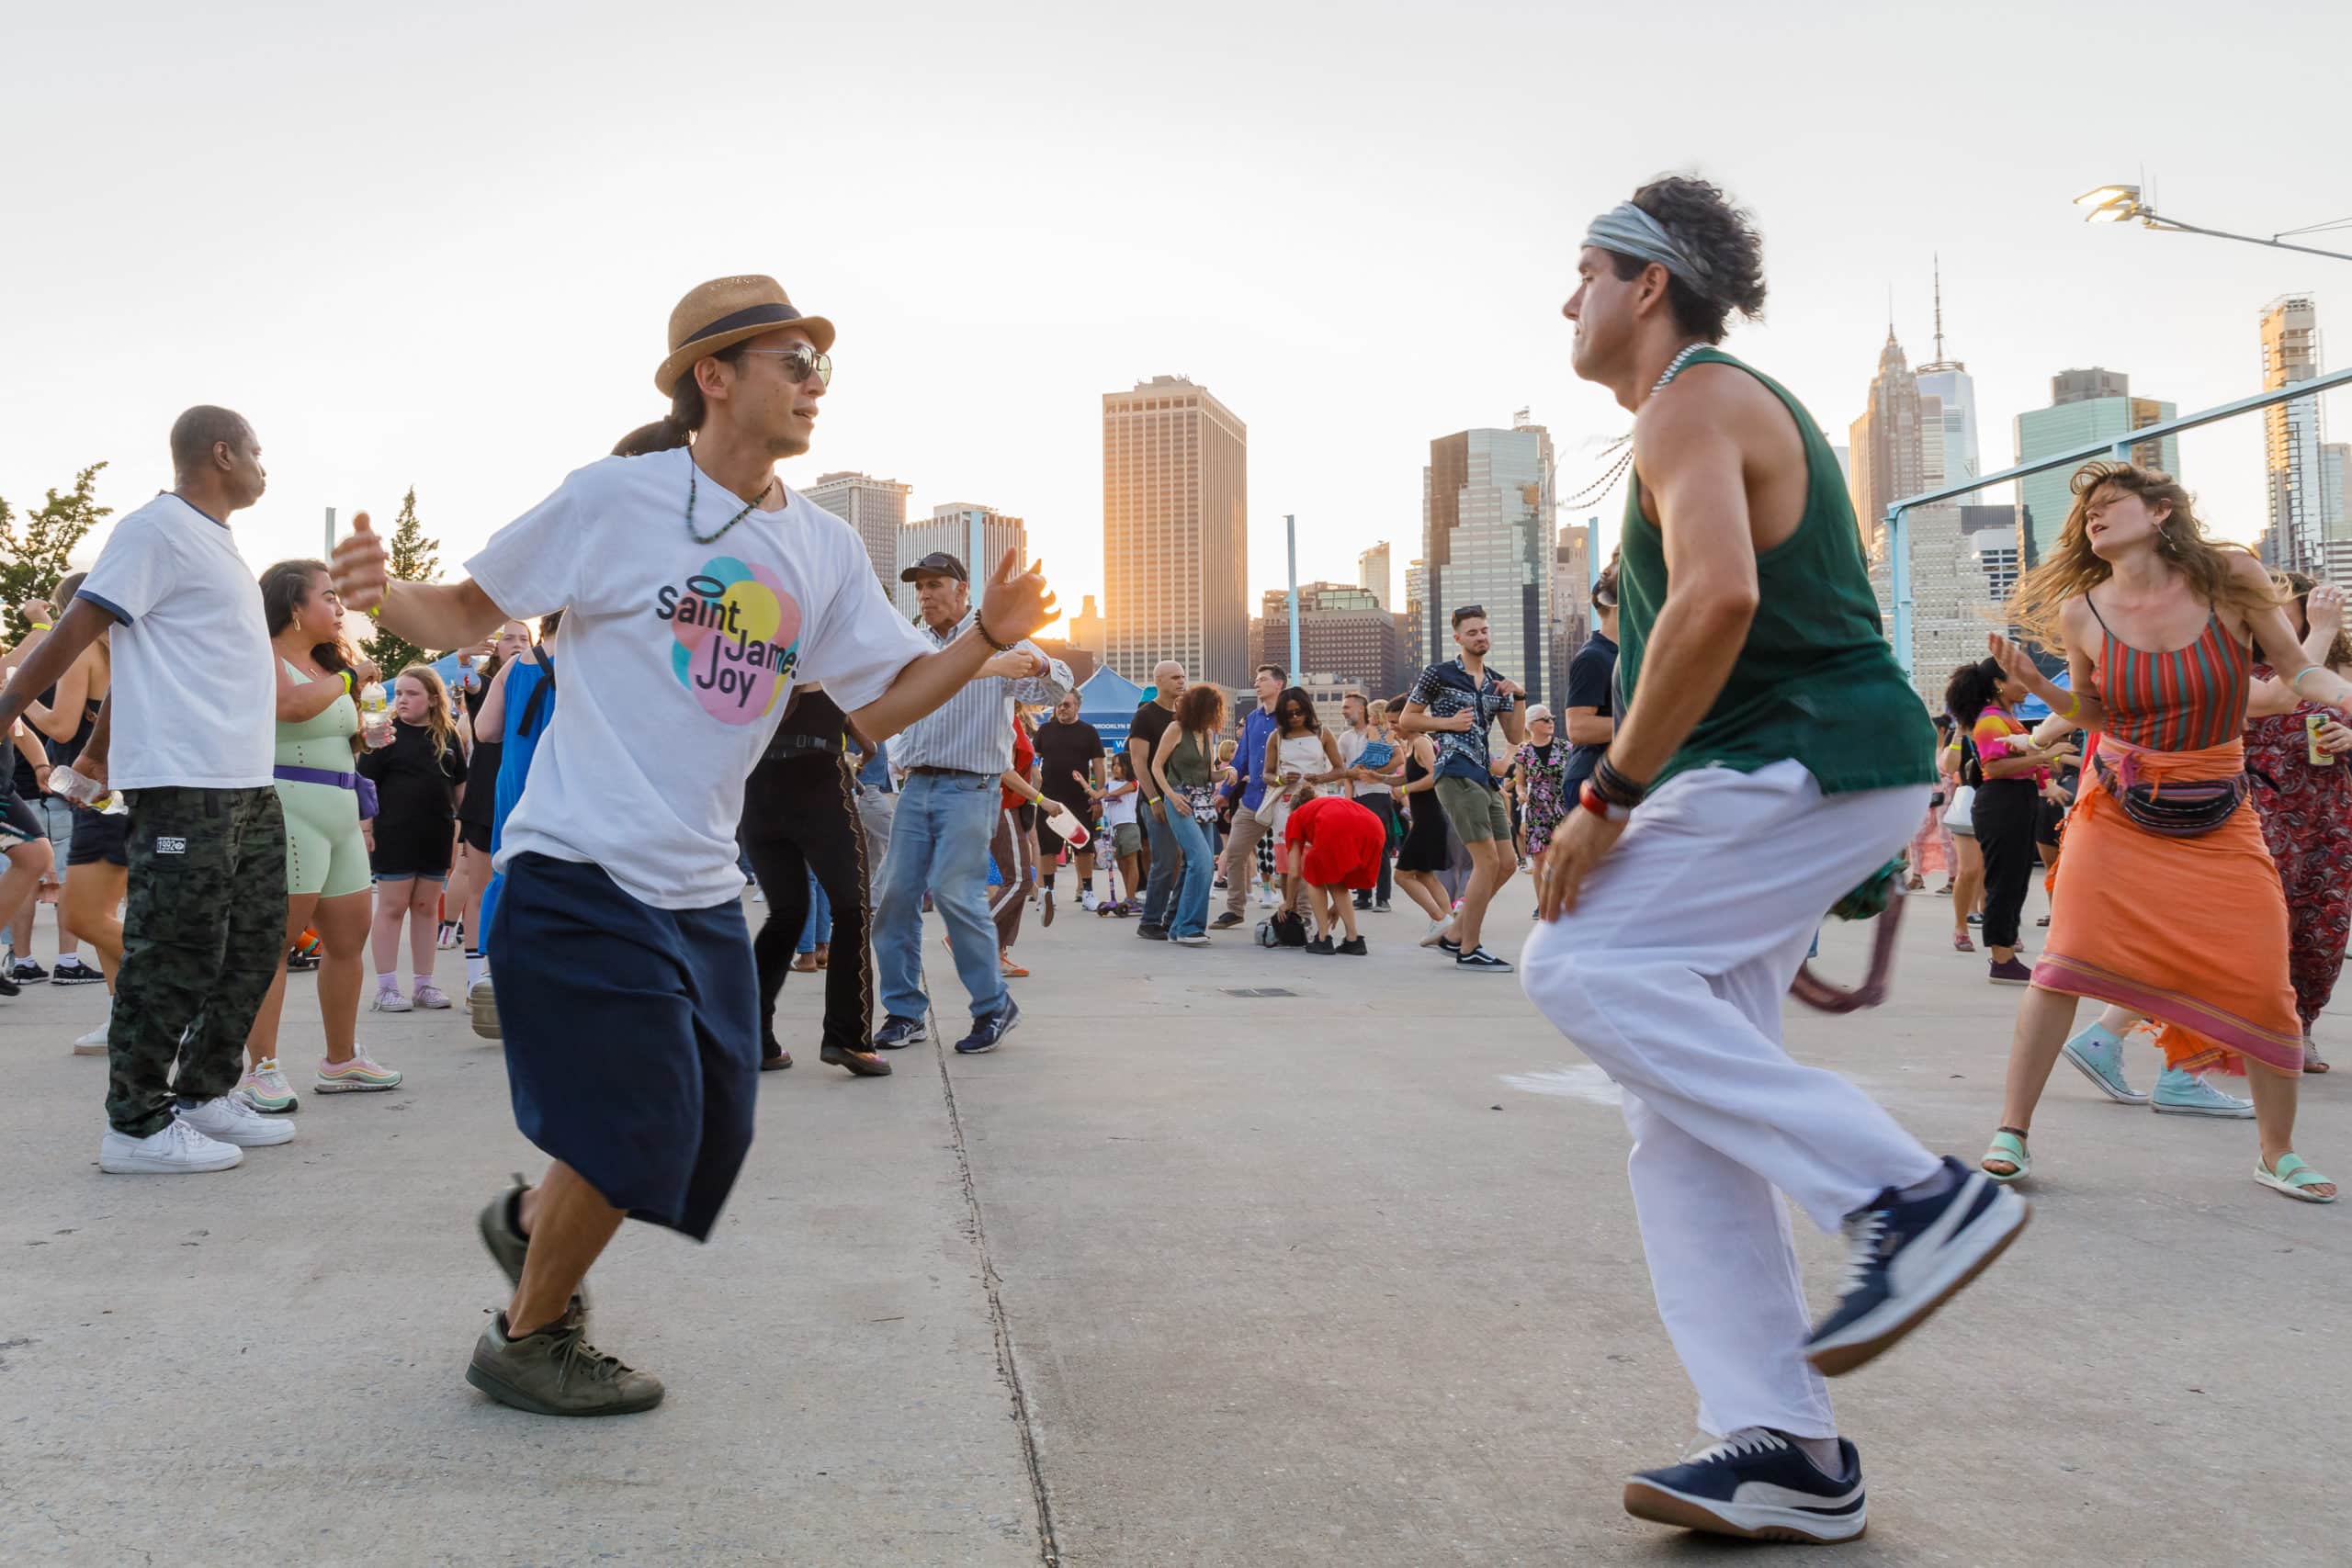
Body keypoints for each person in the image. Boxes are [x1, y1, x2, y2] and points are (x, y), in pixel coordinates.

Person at [333, 274, 1057, 1416]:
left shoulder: (817, 549)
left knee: (705, 1128)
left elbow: (873, 705)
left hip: (700, 885)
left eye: (823, 367)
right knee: (642, 1120)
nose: (815, 384)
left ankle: (529, 1228)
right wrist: (386, 597)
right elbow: (466, 613)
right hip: (580, 862)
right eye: (793, 362)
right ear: (711, 377)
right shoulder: (617, 499)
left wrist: (980, 640)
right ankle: (525, 1339)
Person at [1526, 180, 2028, 1542]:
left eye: (1584, 269)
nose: (1564, 296)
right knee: (1676, 1104)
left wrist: (1608, 797)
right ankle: (1788, 1444)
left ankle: (1909, 1196)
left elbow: (1719, 596)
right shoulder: (1687, 413)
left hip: (1802, 755)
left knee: (1574, 961)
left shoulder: (1694, 394)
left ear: (1648, 283)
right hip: (1785, 772)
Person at [1978, 463, 2352, 1204]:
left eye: (2109, 503)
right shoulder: (2082, 611)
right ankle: (2011, 1130)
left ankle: (2277, 1152)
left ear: (2161, 512)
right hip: (2116, 806)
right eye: (2086, 509)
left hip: (2219, 807)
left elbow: (2296, 674)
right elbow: (2095, 716)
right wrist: (2042, 687)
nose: (2093, 516)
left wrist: (2345, 692)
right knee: (2064, 965)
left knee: (2263, 978)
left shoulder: (2231, 578)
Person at [0, 406, 296, 1173]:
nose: (267, 466)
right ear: (221, 453)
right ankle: (134, 1123)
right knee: (176, 949)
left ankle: (202, 1093)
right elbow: (77, 627)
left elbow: (146, 659)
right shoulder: (154, 529)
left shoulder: (217, 541)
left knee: (255, 940)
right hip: (185, 781)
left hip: (246, 782)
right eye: (257, 452)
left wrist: (97, 748)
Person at [868, 548, 1070, 1056]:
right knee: (893, 899)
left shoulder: (994, 637)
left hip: (970, 786)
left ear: (963, 591)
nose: (925, 594)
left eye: (936, 584)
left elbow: (1058, 684)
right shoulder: (912, 644)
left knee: (956, 894)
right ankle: (905, 1012)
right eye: (919, 587)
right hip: (917, 786)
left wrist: (1040, 658)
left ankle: (992, 1006)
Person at [234, 560, 396, 1115]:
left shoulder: (330, 664)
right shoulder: (266, 656)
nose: (339, 607)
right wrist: (353, 680)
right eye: (327, 597)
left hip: (341, 811)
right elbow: (291, 707)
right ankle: (262, 1070)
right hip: (288, 809)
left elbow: (340, 731)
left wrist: (371, 732)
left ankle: (341, 1058)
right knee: (272, 944)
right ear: (294, 608)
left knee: (349, 940)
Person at [740, 682, 889, 1077]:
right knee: (852, 907)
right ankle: (849, 1037)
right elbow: (870, 735)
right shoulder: (829, 651)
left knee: (787, 913)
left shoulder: (755, 645)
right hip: (816, 777)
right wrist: (857, 756)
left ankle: (754, 1039)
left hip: (757, 783)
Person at [2250, 576, 2350, 1073]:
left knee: (2322, 928)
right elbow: (2281, 694)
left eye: (2284, 609)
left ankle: (2301, 1027)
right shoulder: (2239, 670)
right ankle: (2249, 1027)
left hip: (2329, 815)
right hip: (2260, 809)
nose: (2273, 617)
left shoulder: (2340, 670)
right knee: (2262, 926)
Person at [1400, 608, 1527, 972]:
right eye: (1472, 632)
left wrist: (1518, 697)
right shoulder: (1438, 674)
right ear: (1458, 638)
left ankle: (1456, 932)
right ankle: (1469, 947)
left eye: (1484, 630)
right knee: (1486, 861)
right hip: (1454, 771)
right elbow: (1409, 719)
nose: (1480, 637)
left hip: (1484, 777)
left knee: (1505, 863)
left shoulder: (1496, 683)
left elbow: (1515, 735)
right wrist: (1447, 723)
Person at [36, 573, 126, 1052]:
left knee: (83, 915)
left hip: (97, 791)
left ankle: (171, 982)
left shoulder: (84, 653)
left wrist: (22, 696)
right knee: (108, 911)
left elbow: (63, 723)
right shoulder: (126, 646)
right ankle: (123, 1018)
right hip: (131, 788)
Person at [1945, 657, 2068, 986]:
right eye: (2019, 678)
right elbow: (1995, 768)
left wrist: (2046, 774)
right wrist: (2043, 756)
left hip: (2017, 801)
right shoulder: (1989, 721)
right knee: (2003, 882)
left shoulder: (2007, 719)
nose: (2026, 684)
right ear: (1999, 683)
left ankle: (2006, 953)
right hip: (2001, 802)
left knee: (2015, 881)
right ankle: (2001, 959)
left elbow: (2024, 760)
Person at [466, 607, 560, 1036]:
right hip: (564, 777)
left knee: (507, 869)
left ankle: (491, 973)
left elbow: (485, 731)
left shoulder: (512, 666)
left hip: (515, 779)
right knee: (568, 875)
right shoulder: (592, 662)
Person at [358, 666, 467, 1012]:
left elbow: (460, 789)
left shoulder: (448, 737)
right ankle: (386, 988)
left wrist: (463, 835)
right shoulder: (383, 734)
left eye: (412, 693)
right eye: (400, 693)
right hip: (393, 834)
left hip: (436, 834)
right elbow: (365, 786)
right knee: (391, 908)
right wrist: (365, 830)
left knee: (425, 909)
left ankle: (424, 984)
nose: (402, 699)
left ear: (434, 699)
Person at [443, 620, 531, 958]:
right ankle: (474, 979)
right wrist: (464, 659)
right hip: (487, 794)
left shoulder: (547, 679)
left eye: (524, 638)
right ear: (495, 646)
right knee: (481, 888)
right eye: (509, 638)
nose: (518, 643)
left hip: (527, 790)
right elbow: (469, 682)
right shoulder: (488, 682)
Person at [1148, 682, 1230, 946]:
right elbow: (1156, 767)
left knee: (1198, 863)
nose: (1212, 715)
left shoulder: (1206, 734)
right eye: (1210, 710)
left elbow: (1208, 775)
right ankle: (1189, 927)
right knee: (1202, 859)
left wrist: (1228, 774)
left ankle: (1176, 925)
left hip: (1202, 799)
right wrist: (1170, 796)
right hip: (1179, 798)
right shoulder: (1175, 729)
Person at [1259, 685, 1348, 922]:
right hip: (1285, 804)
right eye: (1289, 714)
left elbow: (1340, 770)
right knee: (1287, 863)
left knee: (1314, 859)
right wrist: (1279, 779)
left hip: (1317, 801)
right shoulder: (1276, 736)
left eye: (1299, 712)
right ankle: (1290, 913)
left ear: (1307, 710)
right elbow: (1266, 774)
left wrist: (1320, 777)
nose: (1295, 717)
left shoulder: (1323, 733)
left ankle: (1309, 914)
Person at [1213, 664, 1286, 928]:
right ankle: (1235, 909)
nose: (1257, 684)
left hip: (1283, 797)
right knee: (1233, 852)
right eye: (1256, 680)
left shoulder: (1290, 716)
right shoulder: (1253, 719)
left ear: (1279, 684)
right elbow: (1241, 759)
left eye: (1263, 679)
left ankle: (1297, 912)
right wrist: (1224, 794)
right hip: (1253, 798)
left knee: (1288, 860)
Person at [1126, 660, 1185, 940]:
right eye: (1175, 677)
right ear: (1159, 680)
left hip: (1182, 798)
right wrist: (1153, 800)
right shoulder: (1145, 715)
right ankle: (1149, 921)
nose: (1181, 682)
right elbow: (1139, 762)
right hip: (1156, 800)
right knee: (1164, 859)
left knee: (1185, 859)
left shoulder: (1183, 716)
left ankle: (1170, 916)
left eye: (1183, 677)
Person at [989, 710, 1051, 974]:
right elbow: (1005, 770)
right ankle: (969, 937)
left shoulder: (1010, 716)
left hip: (1011, 805)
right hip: (1001, 804)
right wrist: (1040, 798)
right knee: (1018, 880)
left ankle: (997, 952)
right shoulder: (999, 717)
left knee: (1016, 880)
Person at [1284, 792, 1384, 954]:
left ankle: (1323, 937)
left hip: (1338, 825)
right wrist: (1337, 906)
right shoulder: (1328, 803)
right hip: (1374, 826)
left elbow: (1295, 872)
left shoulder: (1296, 815)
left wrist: (1288, 904)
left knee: (1313, 873)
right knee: (1334, 877)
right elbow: (1338, 876)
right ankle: (1354, 940)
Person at [1035, 690, 1105, 915]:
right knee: (1048, 847)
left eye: (1066, 705)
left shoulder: (1088, 732)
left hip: (1079, 797)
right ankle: (1049, 893)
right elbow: (1033, 762)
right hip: (1049, 797)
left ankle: (1087, 893)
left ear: (1077, 707)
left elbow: (1099, 765)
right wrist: (1034, 792)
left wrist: (1097, 796)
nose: (1061, 709)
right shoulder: (1045, 730)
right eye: (1058, 705)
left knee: (1083, 846)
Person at [1337, 694, 1402, 913]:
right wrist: (1347, 800)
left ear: (1362, 709)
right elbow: (1343, 770)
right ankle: (1363, 895)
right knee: (1358, 848)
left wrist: (1375, 774)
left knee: (1379, 846)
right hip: (1356, 797)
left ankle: (1382, 898)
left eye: (1347, 707)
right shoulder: (1344, 738)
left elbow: (1399, 759)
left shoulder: (1381, 733)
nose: (1343, 711)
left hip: (1378, 794)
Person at [1390, 721, 1455, 937]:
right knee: (1426, 876)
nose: (1392, 727)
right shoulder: (1413, 744)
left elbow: (1434, 775)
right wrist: (1378, 778)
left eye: (1394, 721)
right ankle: (1450, 928)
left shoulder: (1420, 742)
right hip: (1425, 817)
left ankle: (1440, 919)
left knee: (1402, 876)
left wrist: (1405, 789)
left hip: (1429, 818)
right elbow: (1408, 777)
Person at [1511, 706, 1572, 907]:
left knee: (1563, 858)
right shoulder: (1524, 753)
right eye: (1545, 719)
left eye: (1551, 717)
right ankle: (1543, 904)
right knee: (1539, 858)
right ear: (1531, 726)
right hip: (1537, 810)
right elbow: (1520, 781)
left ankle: (1563, 900)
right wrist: (1520, 793)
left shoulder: (1566, 747)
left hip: (1562, 808)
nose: (1550, 722)